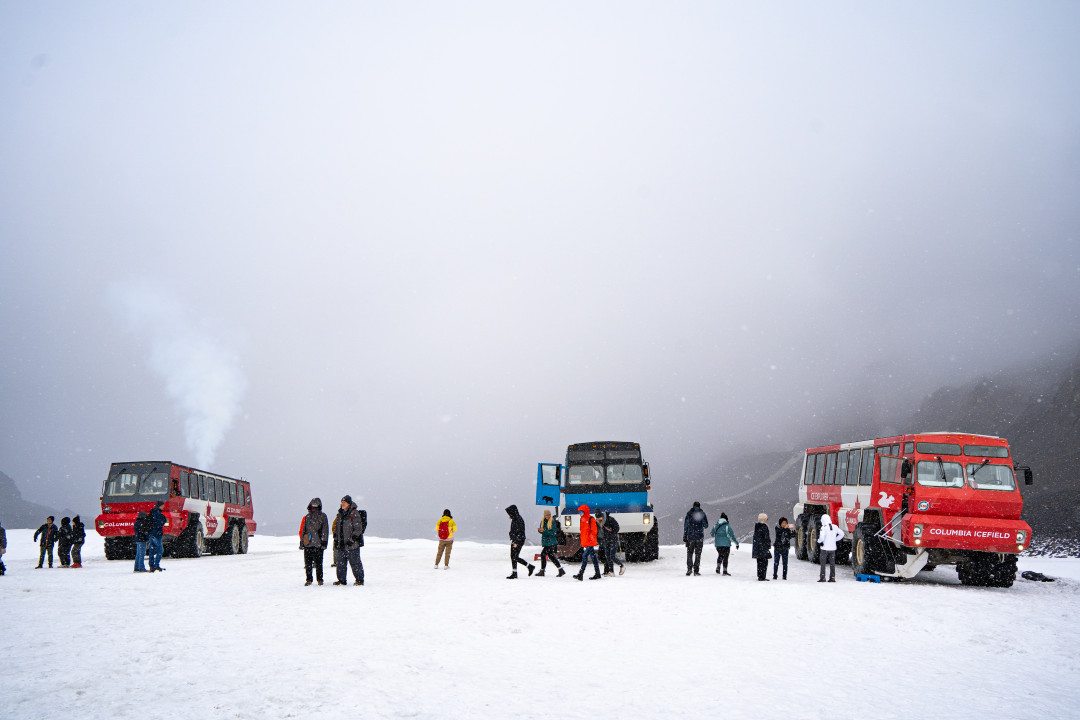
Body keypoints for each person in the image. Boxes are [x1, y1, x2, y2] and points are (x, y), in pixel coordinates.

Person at [333, 495, 366, 586]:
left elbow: (358, 529)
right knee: (340, 564)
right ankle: (341, 580)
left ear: (349, 503)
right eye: (341, 502)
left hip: (352, 545)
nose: (342, 504)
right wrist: (336, 539)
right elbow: (337, 528)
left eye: (344, 502)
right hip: (341, 544)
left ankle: (359, 580)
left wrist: (352, 540)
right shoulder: (340, 513)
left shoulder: (354, 513)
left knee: (355, 563)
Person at [299, 498, 329, 586]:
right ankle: (309, 579)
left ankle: (320, 579)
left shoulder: (323, 516)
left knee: (319, 563)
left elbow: (325, 530)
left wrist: (324, 542)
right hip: (308, 544)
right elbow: (304, 530)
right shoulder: (307, 516)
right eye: (312, 505)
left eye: (315, 505)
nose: (314, 507)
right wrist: (302, 542)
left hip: (318, 544)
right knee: (308, 563)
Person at [505, 505, 535, 579]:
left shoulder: (518, 519)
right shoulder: (516, 519)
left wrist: (516, 541)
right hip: (517, 540)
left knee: (514, 556)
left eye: (509, 513)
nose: (509, 515)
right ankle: (516, 572)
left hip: (518, 540)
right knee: (513, 556)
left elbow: (519, 532)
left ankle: (529, 566)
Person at [573, 504, 601, 581]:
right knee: (593, 557)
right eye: (579, 511)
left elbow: (594, 531)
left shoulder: (591, 519)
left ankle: (580, 574)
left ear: (585, 511)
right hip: (586, 541)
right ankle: (598, 573)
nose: (580, 513)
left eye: (581, 511)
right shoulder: (582, 519)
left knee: (584, 556)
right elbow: (582, 531)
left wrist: (590, 539)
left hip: (590, 542)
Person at [683, 501, 709, 576]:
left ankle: (689, 569)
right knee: (698, 553)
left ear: (693, 506)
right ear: (699, 506)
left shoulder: (689, 514)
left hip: (690, 536)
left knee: (690, 553)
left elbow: (686, 526)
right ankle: (696, 571)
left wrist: (685, 536)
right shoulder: (702, 514)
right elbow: (706, 525)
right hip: (699, 537)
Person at [536, 510, 564, 577]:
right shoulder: (542, 522)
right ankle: (560, 570)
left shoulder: (553, 522)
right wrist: (540, 531)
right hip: (546, 541)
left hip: (551, 542)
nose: (547, 516)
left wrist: (544, 531)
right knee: (551, 556)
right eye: (546, 515)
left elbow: (553, 533)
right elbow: (543, 532)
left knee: (543, 554)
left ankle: (542, 571)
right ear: (544, 515)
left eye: (548, 515)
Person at [817, 514, 844, 583]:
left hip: (825, 548)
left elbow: (822, 537)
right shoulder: (835, 527)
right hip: (832, 548)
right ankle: (832, 577)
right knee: (832, 563)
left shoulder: (823, 528)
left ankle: (822, 577)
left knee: (823, 563)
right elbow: (842, 534)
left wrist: (819, 541)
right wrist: (835, 539)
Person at [599, 510, 624, 577]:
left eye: (599, 517)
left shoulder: (610, 519)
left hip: (613, 540)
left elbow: (617, 528)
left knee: (612, 556)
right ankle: (611, 571)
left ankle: (622, 566)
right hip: (606, 541)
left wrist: (611, 534)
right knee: (607, 556)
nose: (598, 519)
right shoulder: (601, 522)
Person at [751, 513, 772, 581]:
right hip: (763, 547)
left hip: (758, 547)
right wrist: (768, 545)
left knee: (759, 562)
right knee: (764, 562)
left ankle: (760, 575)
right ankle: (763, 576)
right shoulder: (764, 526)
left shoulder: (757, 526)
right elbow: (766, 538)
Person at [147, 501, 167, 572]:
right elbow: (159, 523)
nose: (163, 507)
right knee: (160, 550)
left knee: (151, 550)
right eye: (163, 505)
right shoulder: (158, 514)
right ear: (160, 506)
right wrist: (164, 519)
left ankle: (151, 565)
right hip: (157, 534)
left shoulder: (152, 512)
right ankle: (156, 565)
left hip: (151, 534)